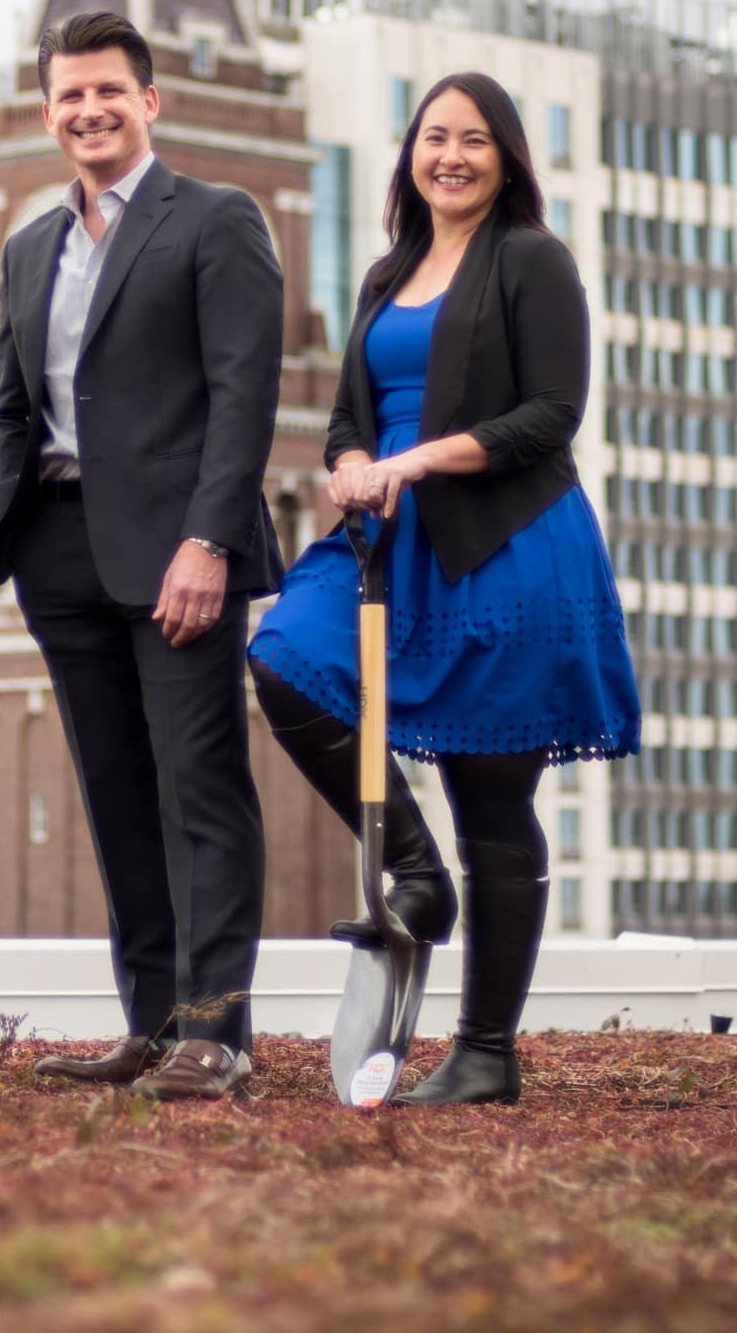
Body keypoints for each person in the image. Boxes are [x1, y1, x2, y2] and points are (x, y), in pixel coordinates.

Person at [245, 72, 639, 1106]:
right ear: (408, 154)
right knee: (286, 657)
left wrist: (414, 463)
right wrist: (345, 464)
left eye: (473, 139)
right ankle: (414, 872)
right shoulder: (386, 273)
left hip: (507, 543)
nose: (450, 155)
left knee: (492, 800)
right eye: (433, 137)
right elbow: (346, 417)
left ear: (505, 157)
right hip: (387, 539)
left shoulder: (531, 261)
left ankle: (485, 1053)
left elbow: (552, 413)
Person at [0, 10, 284, 1103]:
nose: (88, 110)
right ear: (49, 108)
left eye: (109, 90)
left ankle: (217, 1030)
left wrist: (208, 539)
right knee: (113, 794)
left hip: (177, 555)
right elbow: (17, 402)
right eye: (69, 95)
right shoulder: (26, 248)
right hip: (58, 550)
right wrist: (6, 522)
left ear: (147, 101)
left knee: (198, 784)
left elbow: (245, 395)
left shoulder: (214, 219)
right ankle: (150, 1025)